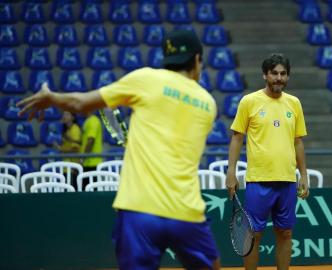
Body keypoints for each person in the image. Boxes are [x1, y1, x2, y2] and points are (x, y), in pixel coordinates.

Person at [17, 30, 221, 270]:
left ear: (166, 58)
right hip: (186, 213)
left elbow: (80, 104)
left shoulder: (146, 79)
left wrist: (52, 97)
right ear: (197, 59)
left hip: (138, 211)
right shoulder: (208, 104)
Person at [226, 54, 309, 270]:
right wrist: (231, 172)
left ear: (287, 76)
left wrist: (304, 175)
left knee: (285, 233)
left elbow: (298, 142)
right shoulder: (249, 102)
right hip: (258, 181)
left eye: (283, 74)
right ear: (265, 75)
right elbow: (237, 138)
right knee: (253, 234)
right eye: (274, 73)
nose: (278, 78)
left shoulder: (294, 103)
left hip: (288, 181)